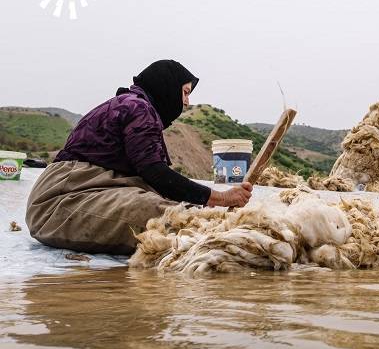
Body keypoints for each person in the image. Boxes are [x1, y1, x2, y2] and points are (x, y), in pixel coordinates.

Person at [26, 59, 252, 255]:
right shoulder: (137, 107)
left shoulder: (134, 107)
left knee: (178, 211)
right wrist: (220, 199)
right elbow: (155, 173)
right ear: (166, 87)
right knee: (168, 217)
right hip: (59, 202)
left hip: (91, 190)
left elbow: (155, 178)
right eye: (185, 92)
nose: (187, 102)